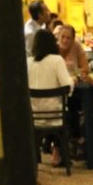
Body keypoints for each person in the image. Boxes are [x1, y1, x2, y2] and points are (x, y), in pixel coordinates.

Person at [28, 27, 73, 166]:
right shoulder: (56, 60)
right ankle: (62, 152)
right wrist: (73, 81)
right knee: (72, 113)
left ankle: (50, 151)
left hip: (34, 116)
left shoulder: (28, 62)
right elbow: (67, 87)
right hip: (56, 115)